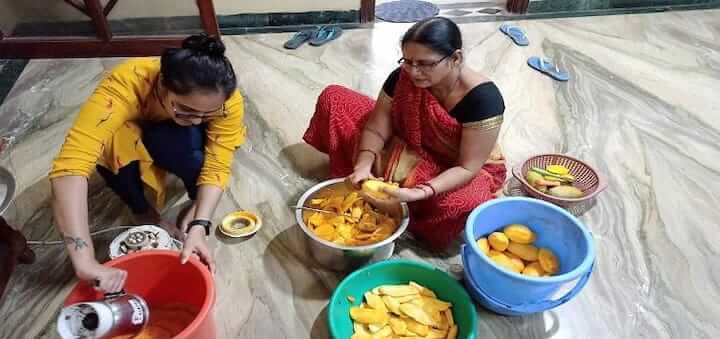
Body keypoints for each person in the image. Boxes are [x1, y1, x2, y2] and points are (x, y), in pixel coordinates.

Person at [50, 34, 246, 292]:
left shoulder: (226, 100)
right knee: (111, 145)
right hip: (133, 130)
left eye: (207, 114)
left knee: (186, 147)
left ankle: (196, 198)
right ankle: (142, 210)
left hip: (173, 137)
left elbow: (218, 164)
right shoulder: (124, 83)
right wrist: (84, 260)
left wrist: (200, 223)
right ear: (163, 84)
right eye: (186, 109)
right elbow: (70, 167)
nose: (199, 120)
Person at [303, 17, 506, 252]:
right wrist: (363, 164)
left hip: (452, 165)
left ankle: (403, 201)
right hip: (406, 138)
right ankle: (374, 181)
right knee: (335, 98)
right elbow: (376, 127)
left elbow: (467, 167)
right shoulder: (403, 76)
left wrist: (419, 192)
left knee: (465, 201)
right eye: (408, 61)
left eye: (425, 64)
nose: (414, 72)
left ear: (456, 58)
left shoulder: (483, 100)